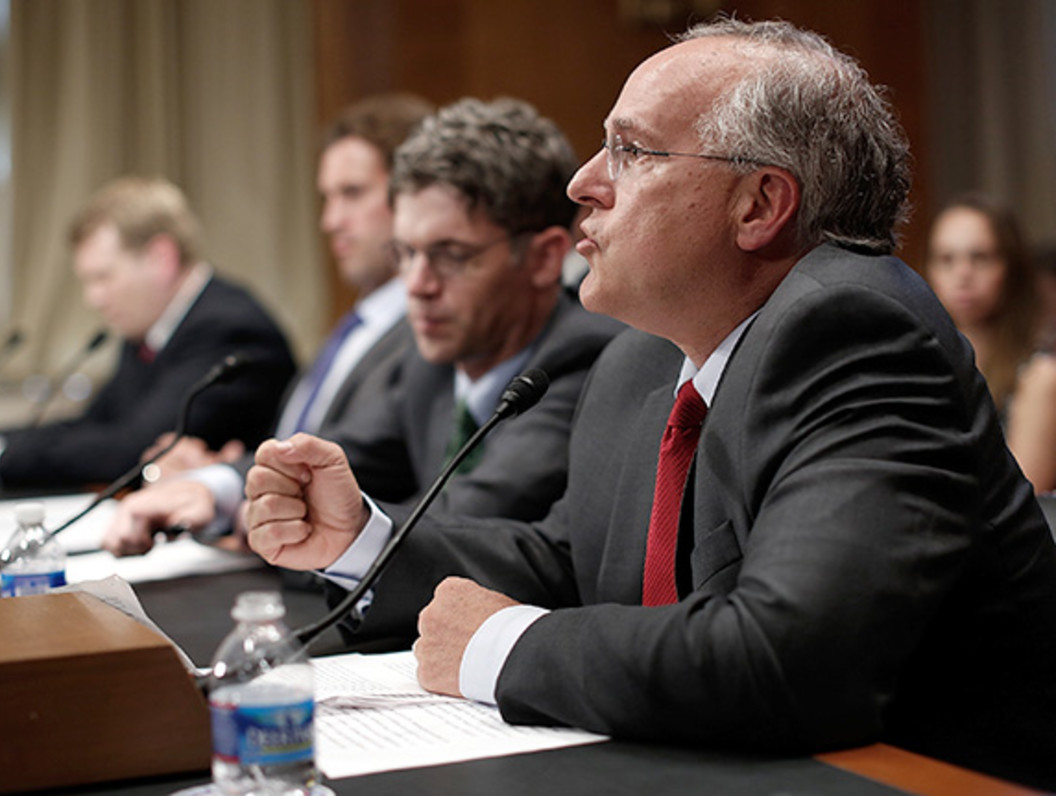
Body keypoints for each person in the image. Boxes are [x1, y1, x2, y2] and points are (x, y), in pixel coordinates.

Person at [243, 18, 1056, 791]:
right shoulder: (643, 358)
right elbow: (571, 561)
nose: (582, 183)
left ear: (760, 205)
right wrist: (363, 541)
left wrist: (500, 644)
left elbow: (791, 660)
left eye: (629, 151)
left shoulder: (855, 331)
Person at [107, 97, 622, 564]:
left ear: (543, 258)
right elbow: (341, 455)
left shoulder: (583, 360)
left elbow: (462, 524)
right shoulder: (431, 365)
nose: (417, 286)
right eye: (406, 253)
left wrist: (282, 525)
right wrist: (214, 490)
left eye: (451, 256)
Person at [104, 93, 433, 554]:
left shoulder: (431, 326)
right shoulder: (358, 324)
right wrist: (217, 469)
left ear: (413, 196)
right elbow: (308, 436)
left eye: (352, 194)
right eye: (327, 197)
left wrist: (217, 484)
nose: (330, 220)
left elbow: (365, 451)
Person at [0, 176, 296, 488]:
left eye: (103, 277)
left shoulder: (227, 327)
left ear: (161, 258)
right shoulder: (151, 326)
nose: (93, 298)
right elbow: (96, 426)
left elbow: (135, 448)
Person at [926, 194, 1056, 492]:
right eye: (946, 259)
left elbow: (1025, 500)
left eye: (980, 257)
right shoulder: (918, 364)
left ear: (1010, 268)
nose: (963, 274)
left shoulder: (1038, 377)